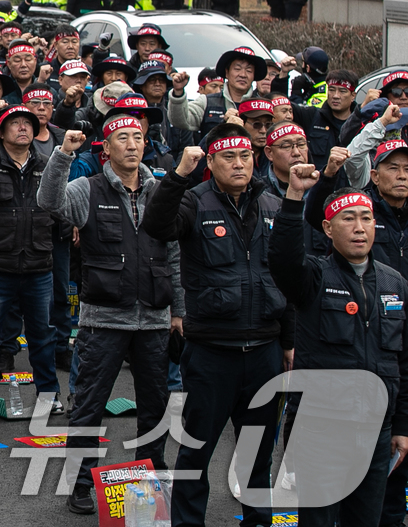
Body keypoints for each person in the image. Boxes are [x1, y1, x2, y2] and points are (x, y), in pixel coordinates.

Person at [145, 124, 291, 527]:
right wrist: (177, 175)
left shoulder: (273, 206)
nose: (239, 163)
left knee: (258, 454)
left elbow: (288, 276)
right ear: (210, 162)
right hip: (211, 353)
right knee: (196, 453)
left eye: (245, 156)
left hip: (264, 351)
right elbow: (157, 227)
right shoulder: (193, 201)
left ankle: (258, 520)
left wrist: (290, 340)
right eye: (228, 157)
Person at [37, 116, 183, 514]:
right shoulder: (88, 188)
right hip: (102, 320)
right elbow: (49, 202)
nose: (132, 144)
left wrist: (178, 312)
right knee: (88, 405)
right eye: (123, 138)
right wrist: (64, 153)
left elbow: (173, 255)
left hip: (153, 320)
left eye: (138, 137)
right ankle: (81, 485)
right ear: (106, 147)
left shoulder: (159, 191)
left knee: (155, 408)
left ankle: (152, 481)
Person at [272, 168, 408, 527]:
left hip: (376, 431)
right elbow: (283, 261)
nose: (360, 227)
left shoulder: (395, 283)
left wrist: (402, 425)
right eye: (348, 218)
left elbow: (404, 362)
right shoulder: (313, 277)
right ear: (328, 230)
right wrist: (293, 199)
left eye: (367, 218)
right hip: (321, 430)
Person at [0, 105, 61, 402]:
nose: (23, 128)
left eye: (28, 124)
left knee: (43, 339)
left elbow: (60, 200)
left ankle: (49, 395)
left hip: (39, 266)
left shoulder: (47, 163)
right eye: (15, 123)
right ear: (2, 132)